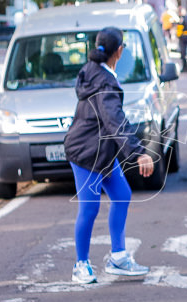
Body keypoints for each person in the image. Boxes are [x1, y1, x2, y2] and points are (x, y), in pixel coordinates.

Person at [63, 27, 154, 284]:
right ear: (120, 51)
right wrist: (138, 153)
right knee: (89, 209)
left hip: (100, 150)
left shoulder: (93, 70)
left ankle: (118, 258)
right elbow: (115, 121)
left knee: (122, 194)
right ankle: (80, 265)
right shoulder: (104, 81)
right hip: (85, 152)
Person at [177, 8, 187, 74]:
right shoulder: (185, 18)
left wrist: (184, 35)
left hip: (184, 38)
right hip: (184, 38)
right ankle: (185, 67)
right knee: (184, 53)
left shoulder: (184, 18)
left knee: (183, 53)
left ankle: (186, 67)